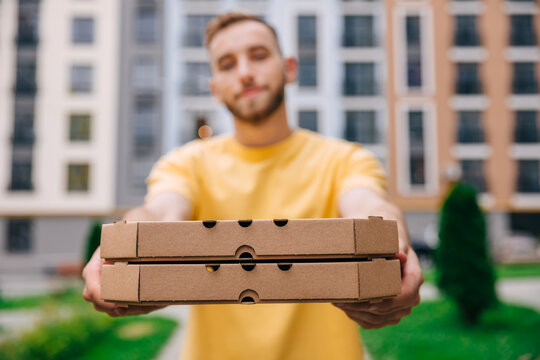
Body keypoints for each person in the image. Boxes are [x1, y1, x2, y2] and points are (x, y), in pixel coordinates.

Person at [83, 12, 424, 360]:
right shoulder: (186, 164)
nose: (245, 72)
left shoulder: (344, 159)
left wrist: (396, 247)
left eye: (259, 55)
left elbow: (369, 204)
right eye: (227, 64)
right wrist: (121, 246)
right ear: (215, 88)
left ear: (289, 68)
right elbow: (159, 210)